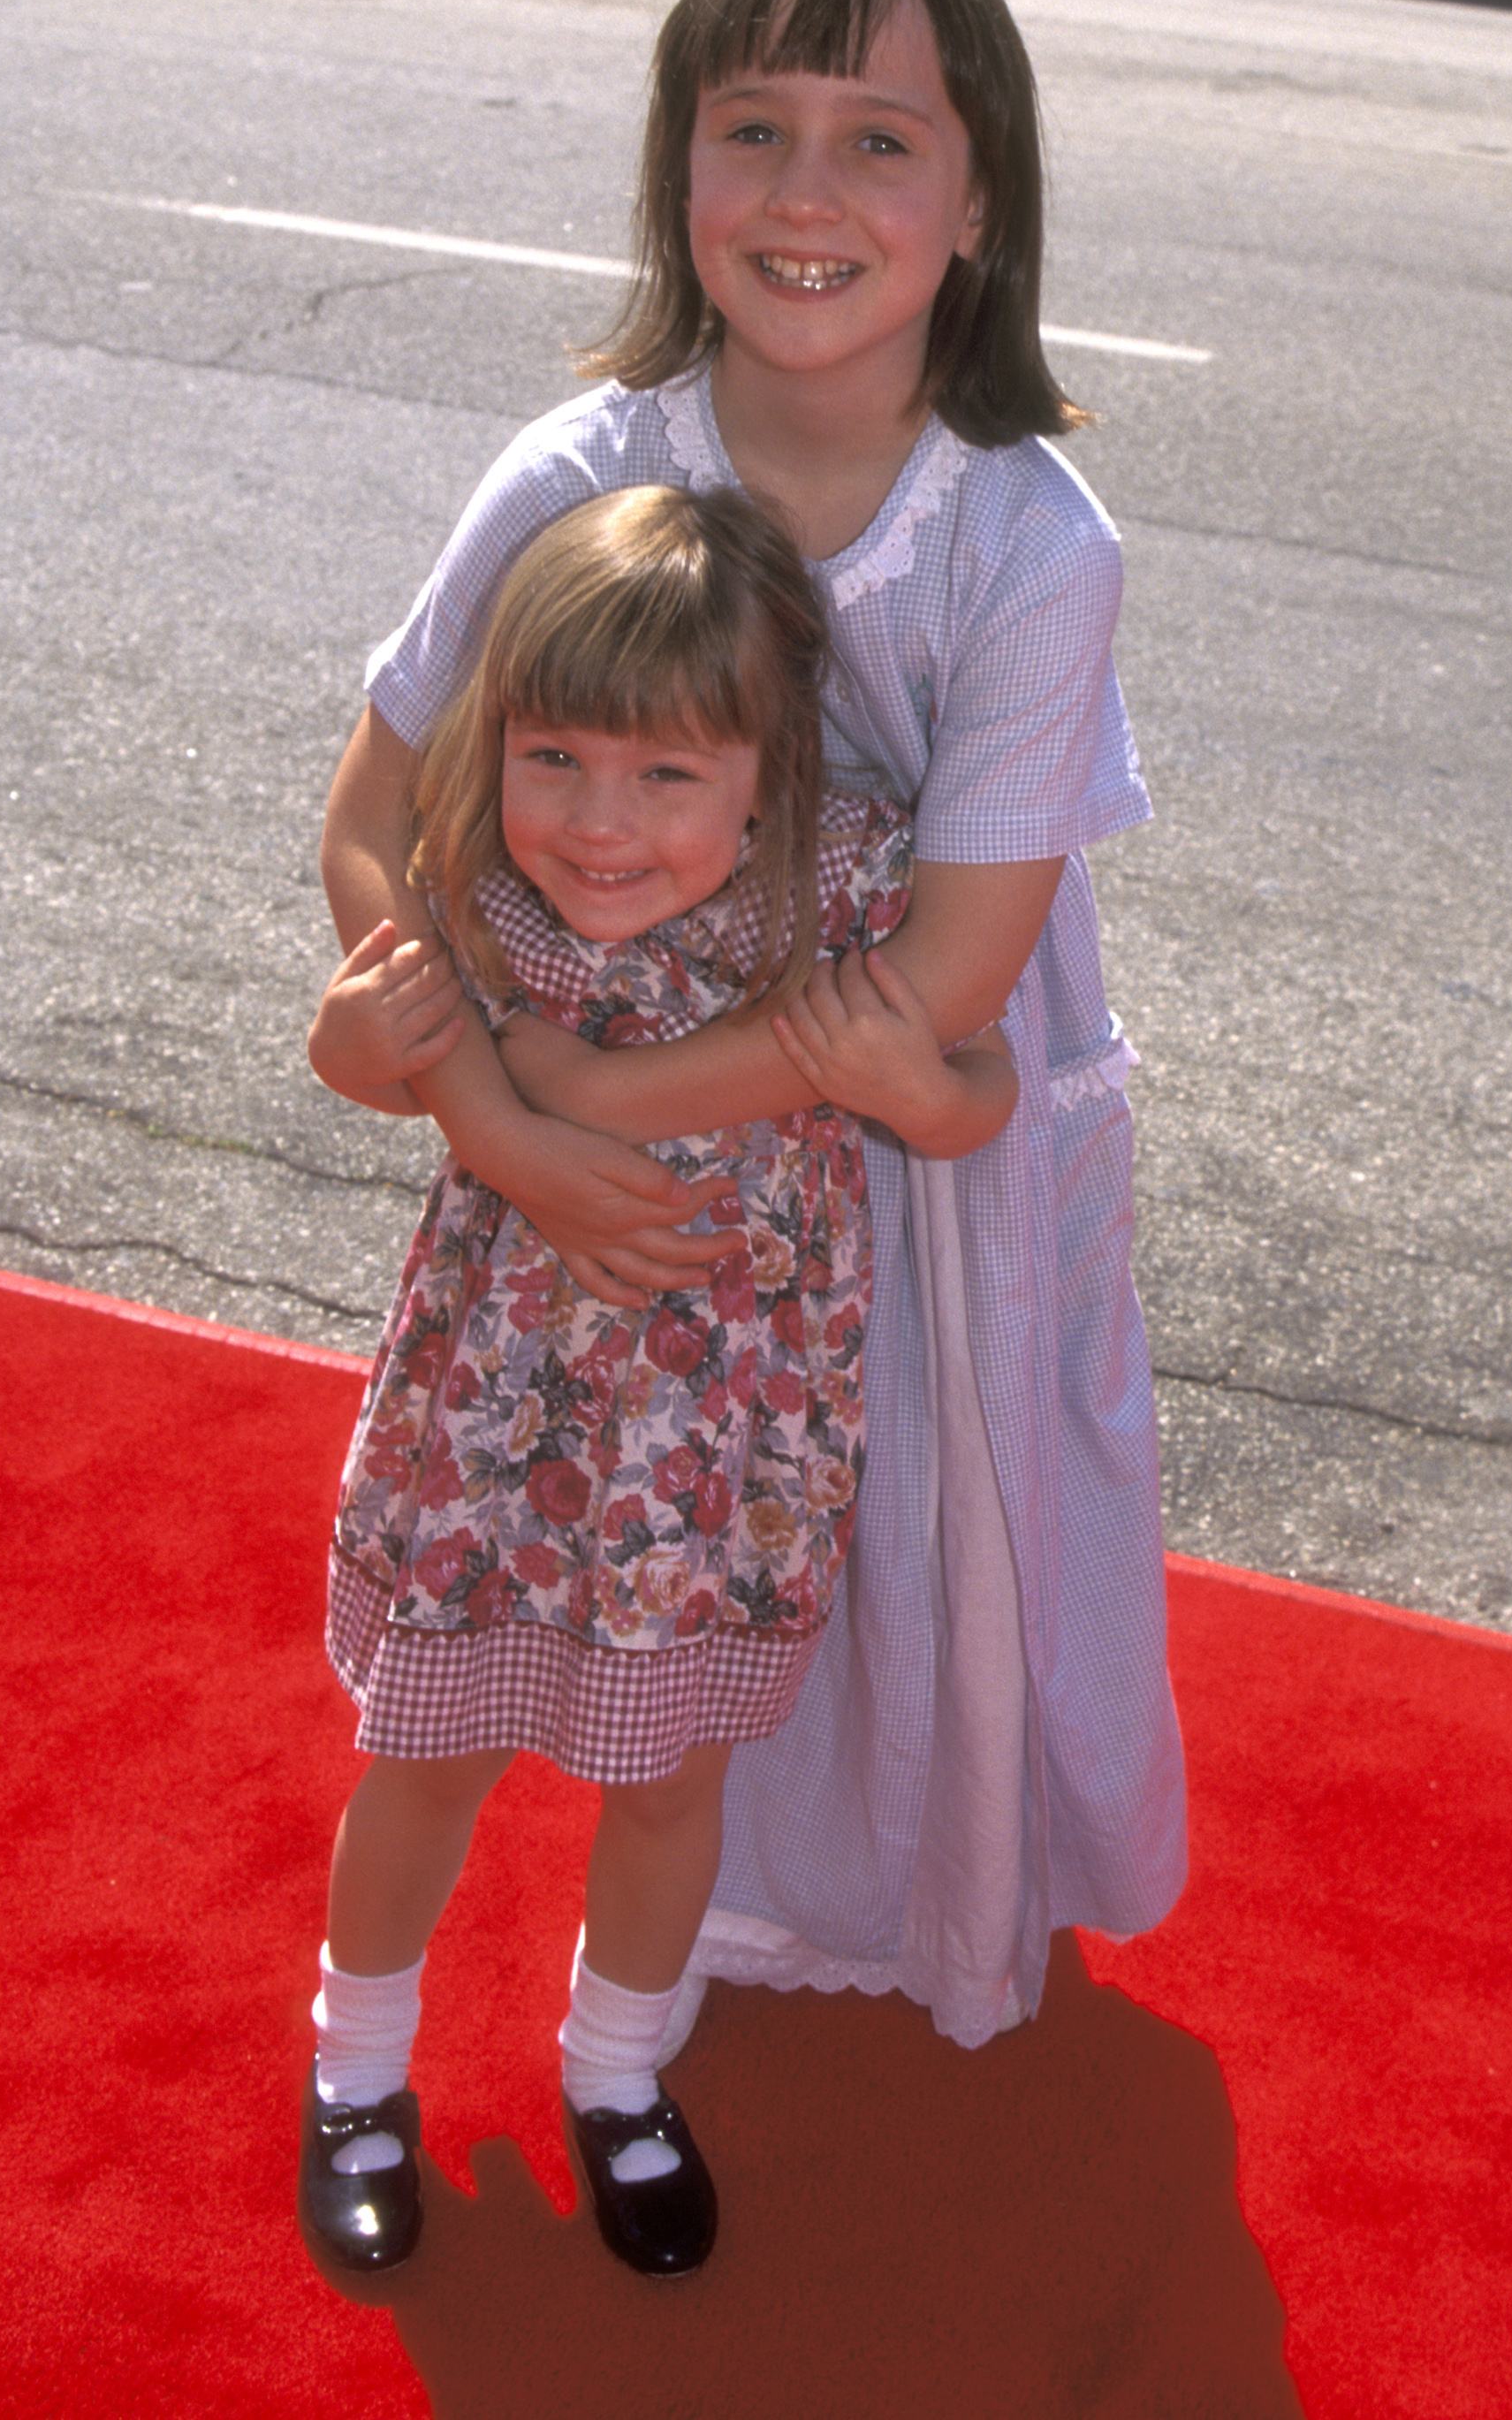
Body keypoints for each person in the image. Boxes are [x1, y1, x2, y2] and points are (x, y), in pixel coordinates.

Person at [312, 0, 1190, 2112]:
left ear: (978, 198)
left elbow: (938, 991)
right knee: (623, 1535)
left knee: (914, 1514)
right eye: (753, 125)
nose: (809, 189)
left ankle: (859, 1897)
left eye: (881, 137)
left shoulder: (1024, 541)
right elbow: (377, 815)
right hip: (600, 1112)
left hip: (895, 1144)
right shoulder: (586, 466)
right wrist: (497, 1121)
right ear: (674, 165)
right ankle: (496, 2014)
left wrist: (549, 1108)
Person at [300, 482, 1017, 2282]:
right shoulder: (476, 895)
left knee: (672, 1783)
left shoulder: (844, 894)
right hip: (495, 1432)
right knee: (425, 1758)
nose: (598, 827)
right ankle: (353, 2072)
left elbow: (981, 1066)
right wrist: (344, 1041)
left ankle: (617, 2072)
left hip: (725, 1451)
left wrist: (935, 1099)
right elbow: (372, 1042)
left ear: (769, 767)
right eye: (552, 759)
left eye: (665, 778)